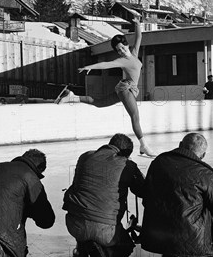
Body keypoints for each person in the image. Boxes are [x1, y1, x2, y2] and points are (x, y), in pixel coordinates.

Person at [140, 132, 213, 257]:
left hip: (156, 234)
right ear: (203, 155)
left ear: (180, 145)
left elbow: (146, 194)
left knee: (170, 203)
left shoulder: (158, 162)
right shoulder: (204, 173)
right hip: (191, 237)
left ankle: (169, 255)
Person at [58, 13, 155, 157]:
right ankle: (144, 146)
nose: (121, 51)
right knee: (135, 116)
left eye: (122, 47)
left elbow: (139, 37)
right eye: (118, 50)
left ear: (126, 44)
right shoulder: (122, 60)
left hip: (129, 89)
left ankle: (72, 97)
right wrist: (89, 66)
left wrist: (137, 24)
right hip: (125, 88)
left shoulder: (134, 53)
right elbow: (106, 64)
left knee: (100, 103)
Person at [63, 133, 145, 257]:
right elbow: (143, 190)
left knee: (86, 206)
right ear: (126, 153)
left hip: (74, 224)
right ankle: (106, 255)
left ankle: (83, 246)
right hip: (105, 231)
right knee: (127, 247)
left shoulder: (85, 157)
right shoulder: (127, 165)